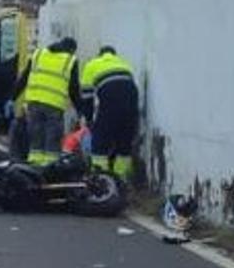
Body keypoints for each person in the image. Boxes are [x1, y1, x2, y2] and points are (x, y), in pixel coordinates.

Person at [12, 37, 83, 166]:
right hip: (54, 105)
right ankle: (50, 168)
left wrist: (13, 97)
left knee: (36, 138)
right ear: (71, 50)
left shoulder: (38, 54)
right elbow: (74, 89)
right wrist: (80, 110)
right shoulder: (69, 60)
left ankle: (34, 165)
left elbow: (24, 77)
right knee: (52, 140)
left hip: (34, 103)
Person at [81, 45, 139, 180]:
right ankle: (121, 180)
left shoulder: (92, 65)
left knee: (100, 142)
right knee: (124, 143)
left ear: (100, 55)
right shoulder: (124, 64)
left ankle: (100, 179)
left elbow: (87, 96)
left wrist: (89, 120)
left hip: (110, 102)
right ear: (114, 54)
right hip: (131, 103)